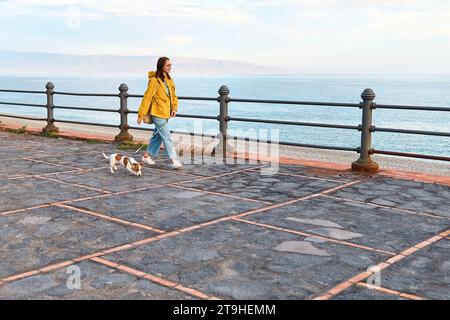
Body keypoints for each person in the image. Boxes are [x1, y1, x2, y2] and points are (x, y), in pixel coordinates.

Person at [137, 57, 182, 169]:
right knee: (167, 136)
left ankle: (146, 156)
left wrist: (174, 108)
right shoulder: (154, 81)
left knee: (158, 136)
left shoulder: (169, 80)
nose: (170, 67)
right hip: (157, 113)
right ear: (161, 66)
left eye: (171, 65)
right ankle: (174, 160)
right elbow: (147, 98)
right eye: (168, 65)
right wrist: (140, 114)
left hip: (166, 113)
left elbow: (174, 96)